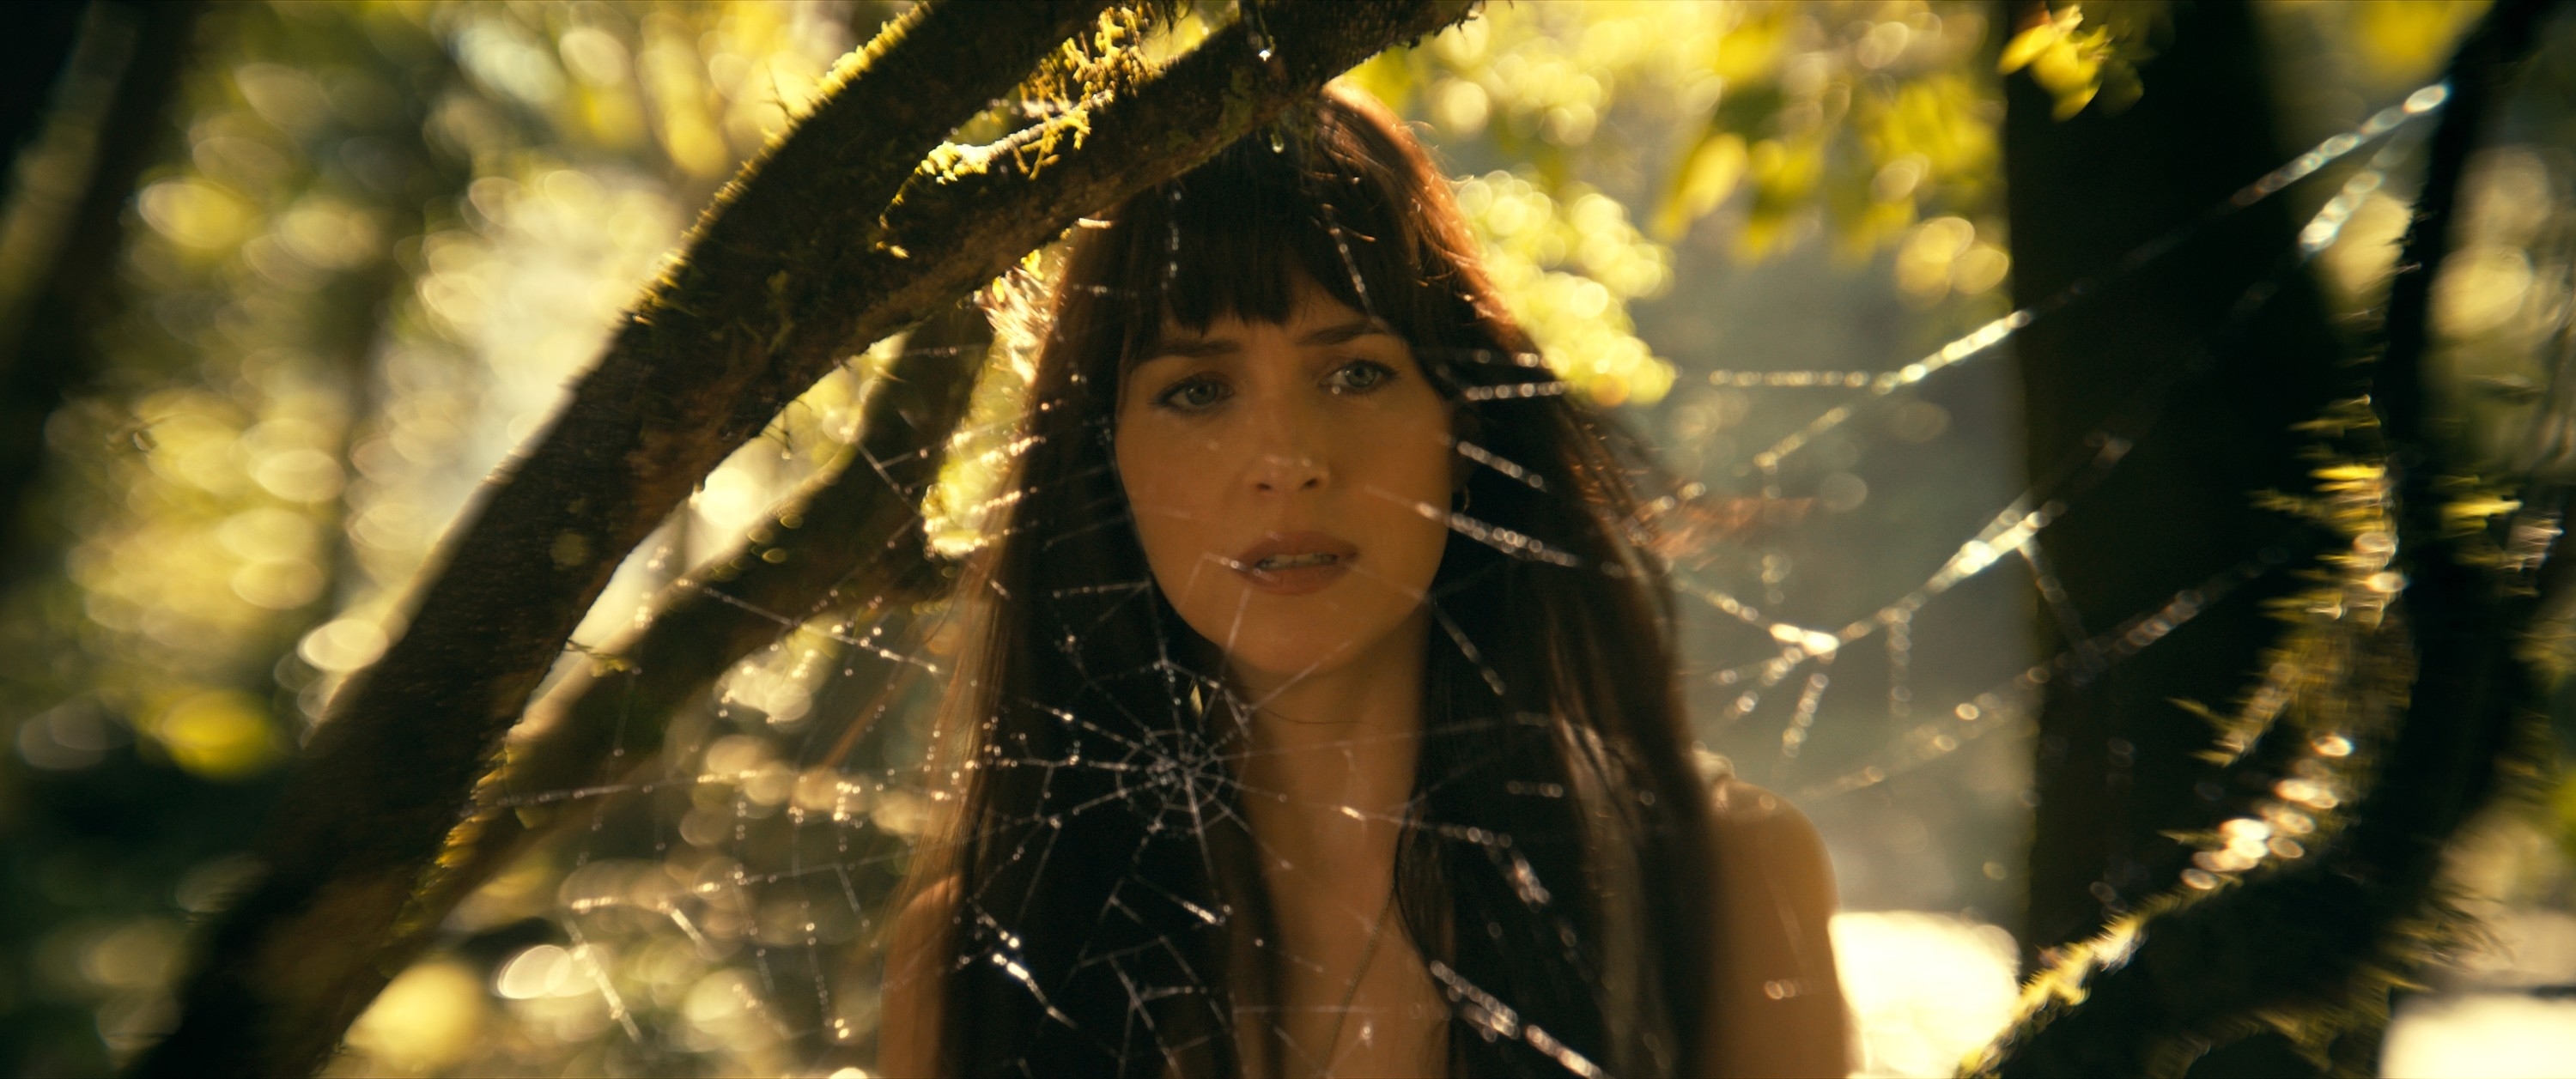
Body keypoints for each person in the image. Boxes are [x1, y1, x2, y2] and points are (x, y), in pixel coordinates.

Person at [879, 83, 1847, 1078]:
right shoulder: (975, 958)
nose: (1288, 458)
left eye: (1356, 373)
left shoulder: (1721, 881)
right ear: (1103, 468)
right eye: (1198, 390)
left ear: (1463, 427)